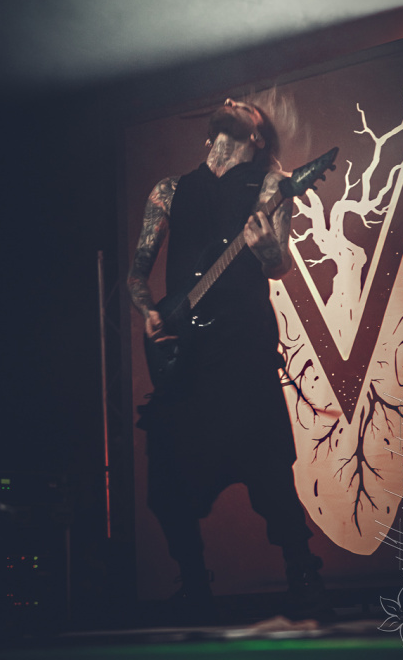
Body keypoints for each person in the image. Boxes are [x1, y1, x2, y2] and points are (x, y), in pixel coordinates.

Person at [127, 98, 326, 623]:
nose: (235, 101)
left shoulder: (270, 185)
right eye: (231, 102)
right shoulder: (168, 191)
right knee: (167, 484)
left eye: (248, 107)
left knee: (270, 472)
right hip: (184, 359)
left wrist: (263, 249)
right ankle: (195, 587)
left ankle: (304, 577)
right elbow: (137, 274)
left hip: (242, 351)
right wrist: (150, 313)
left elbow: (278, 266)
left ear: (256, 136)